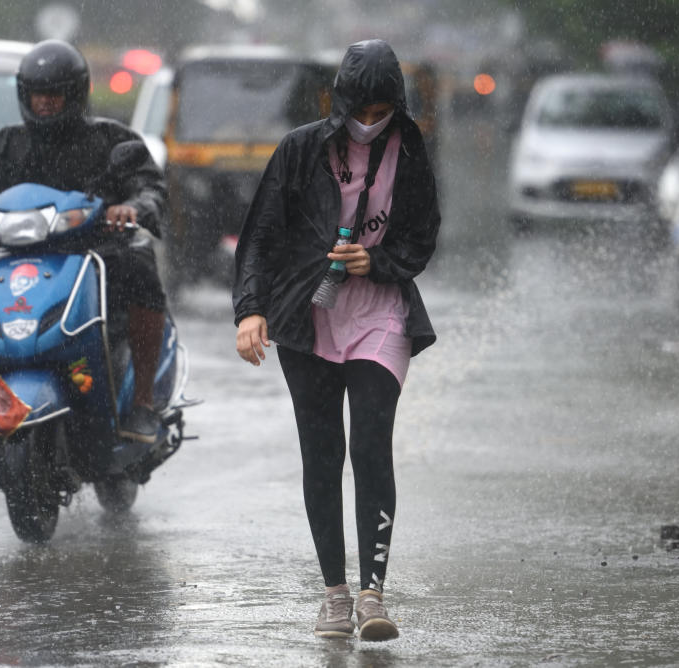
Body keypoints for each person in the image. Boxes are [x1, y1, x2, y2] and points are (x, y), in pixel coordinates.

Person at [233, 39, 440, 641]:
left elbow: (422, 237)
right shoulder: (300, 149)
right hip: (306, 318)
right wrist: (250, 312)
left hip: (381, 315)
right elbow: (260, 238)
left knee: (372, 445)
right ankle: (334, 596)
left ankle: (374, 594)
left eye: (382, 112)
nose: (370, 122)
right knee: (322, 456)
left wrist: (372, 262)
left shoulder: (411, 147)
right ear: (340, 102)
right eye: (362, 111)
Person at [0, 40, 168, 443]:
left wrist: (133, 206)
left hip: (96, 250)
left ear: (75, 93)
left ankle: (143, 401)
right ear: (24, 95)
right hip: (19, 256)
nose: (44, 102)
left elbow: (148, 185)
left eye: (54, 93)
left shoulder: (110, 138)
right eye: (36, 94)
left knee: (140, 263)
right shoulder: (6, 143)